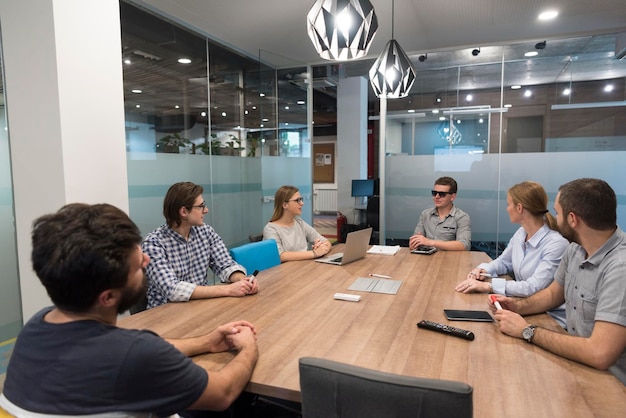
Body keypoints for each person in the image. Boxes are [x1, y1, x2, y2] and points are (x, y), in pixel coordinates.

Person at [0, 203, 259, 416]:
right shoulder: (135, 353)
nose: (147, 261)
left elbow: (140, 352)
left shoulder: (37, 325)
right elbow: (223, 393)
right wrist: (248, 347)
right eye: (137, 266)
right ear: (108, 297)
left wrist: (206, 342)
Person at [489, 178, 626, 385]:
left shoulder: (620, 267)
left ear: (572, 219)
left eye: (557, 212)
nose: (553, 218)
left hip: (610, 385)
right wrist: (518, 306)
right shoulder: (576, 248)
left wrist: (527, 331)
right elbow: (553, 294)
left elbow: (599, 353)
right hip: (576, 364)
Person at [455, 181, 569, 326]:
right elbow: (503, 261)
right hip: (524, 307)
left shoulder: (556, 244)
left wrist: (488, 287)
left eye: (509, 204)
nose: (507, 209)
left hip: (549, 319)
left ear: (519, 208)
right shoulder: (521, 233)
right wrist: (484, 270)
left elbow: (533, 287)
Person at [143, 182, 258, 309]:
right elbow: (172, 289)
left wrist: (242, 280)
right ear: (184, 211)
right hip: (165, 315)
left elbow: (225, 265)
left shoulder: (205, 232)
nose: (206, 210)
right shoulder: (154, 244)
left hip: (200, 307)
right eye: (201, 206)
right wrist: (229, 290)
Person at [263, 185, 332, 262]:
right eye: (297, 200)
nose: (302, 203)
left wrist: (322, 247)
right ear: (284, 205)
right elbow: (280, 255)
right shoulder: (270, 229)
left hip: (302, 268)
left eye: (301, 199)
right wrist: (314, 253)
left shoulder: (299, 222)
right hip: (285, 271)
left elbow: (325, 241)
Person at [409, 176, 471, 251]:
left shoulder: (462, 217)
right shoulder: (425, 214)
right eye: (434, 193)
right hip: (426, 258)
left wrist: (431, 242)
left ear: (452, 197)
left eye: (442, 194)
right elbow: (416, 239)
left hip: (450, 259)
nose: (437, 197)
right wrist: (414, 243)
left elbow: (464, 245)